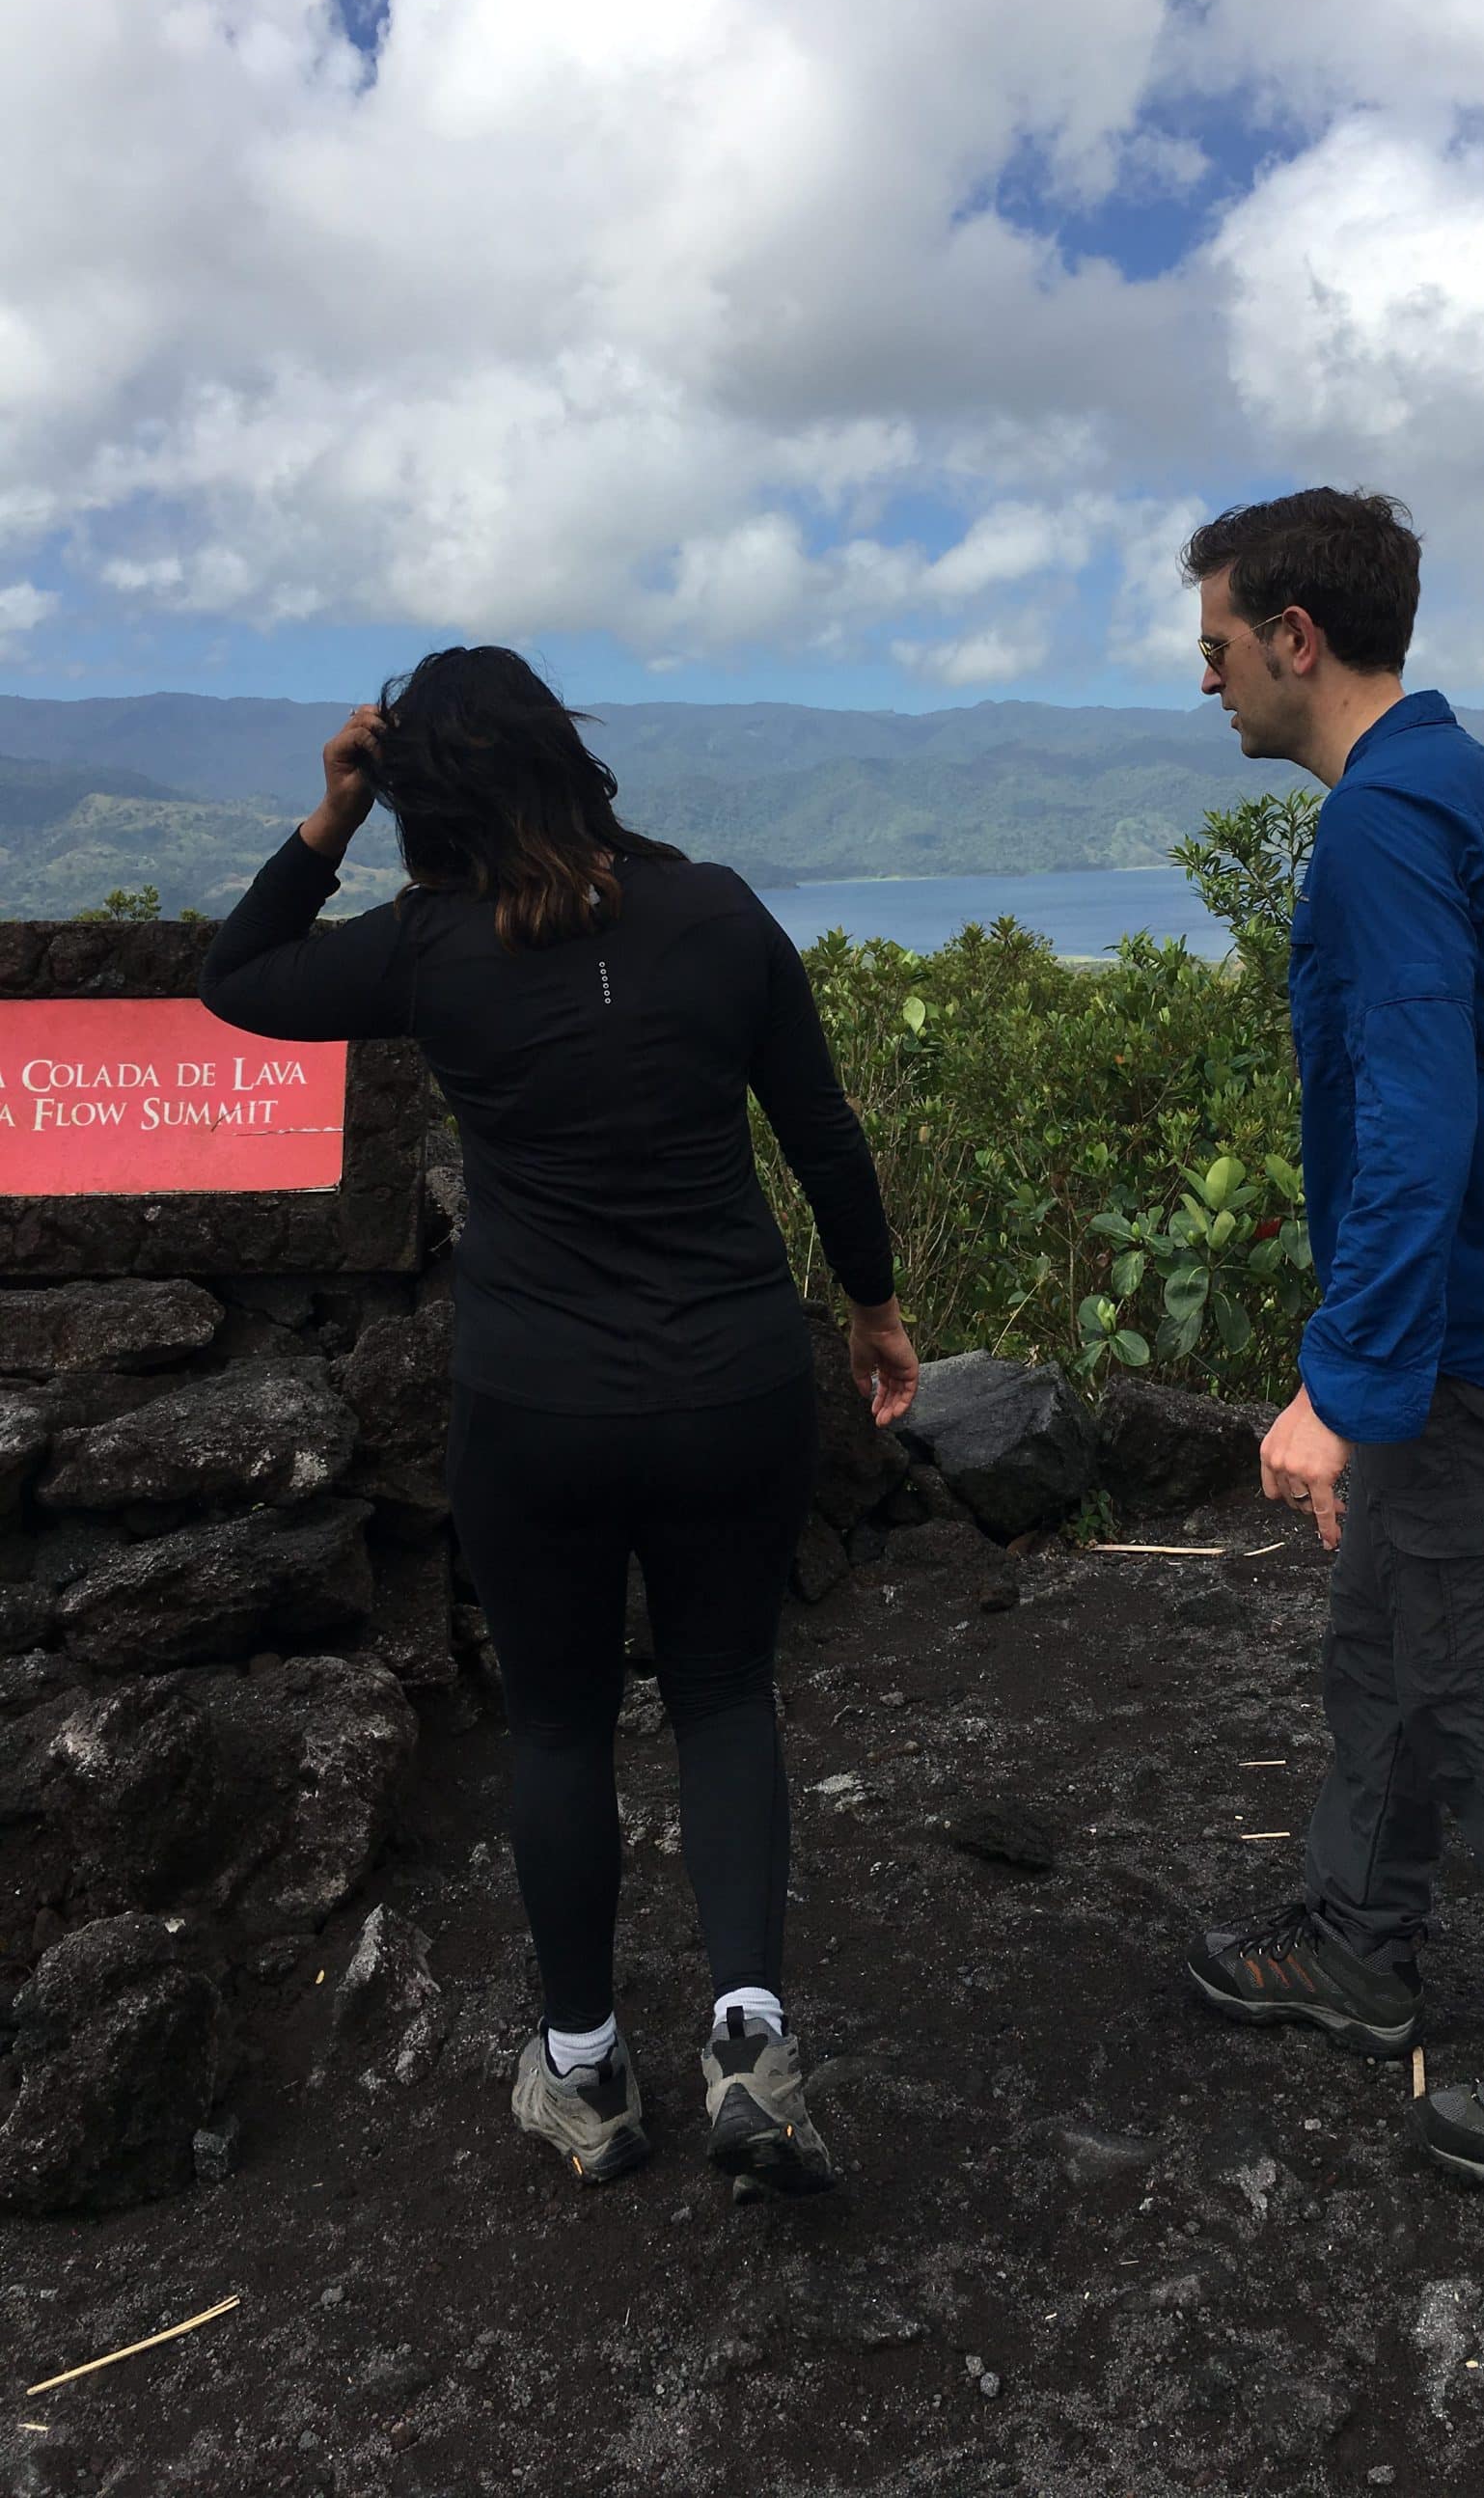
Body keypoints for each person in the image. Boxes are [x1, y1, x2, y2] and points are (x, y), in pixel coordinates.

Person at [200, 645, 917, 2200]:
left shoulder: (428, 949)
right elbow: (820, 1131)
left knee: (556, 1721)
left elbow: (238, 979)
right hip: (731, 1385)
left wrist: (328, 818)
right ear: (570, 758)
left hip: (537, 1409)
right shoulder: (717, 910)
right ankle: (749, 2039)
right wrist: (871, 1306)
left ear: (421, 790)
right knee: (726, 1693)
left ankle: (585, 2072)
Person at [1176, 490, 1484, 2187]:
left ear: (1297, 641)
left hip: (1467, 1328)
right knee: (1387, 1643)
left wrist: (1346, 1383)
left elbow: (1417, 1115)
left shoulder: (1388, 824)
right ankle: (1356, 1944)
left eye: (1222, 650)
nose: (1213, 685)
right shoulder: (1478, 786)